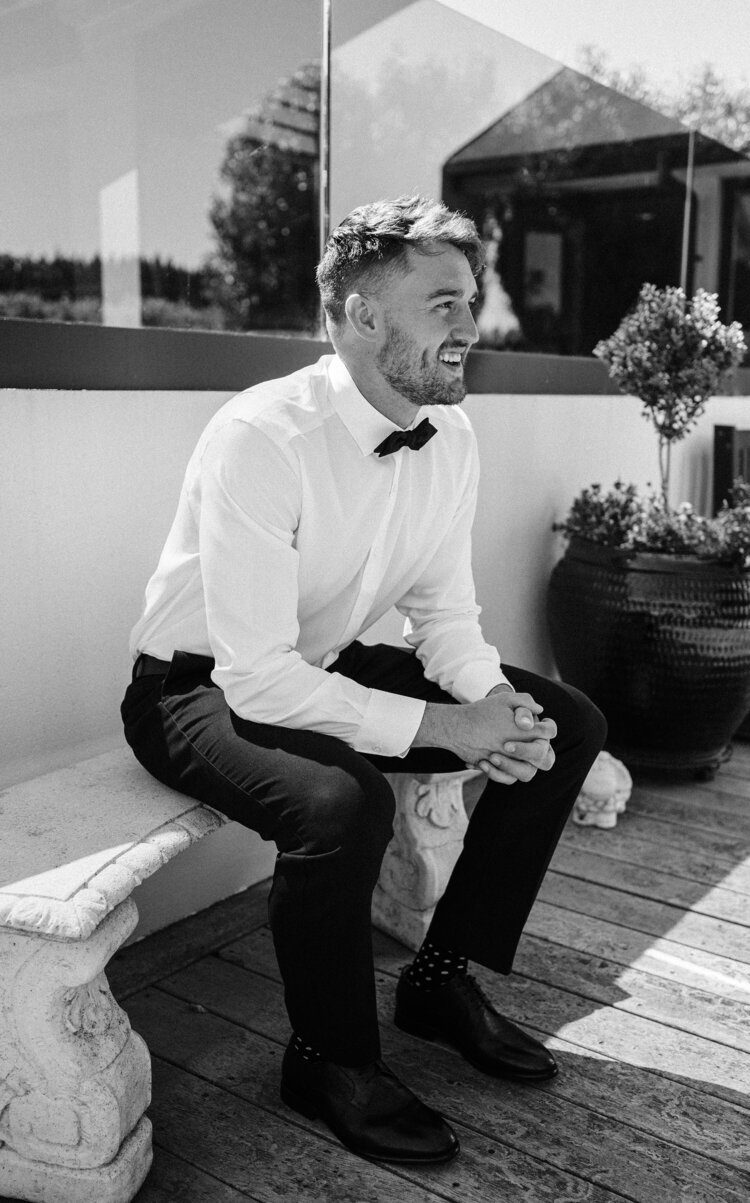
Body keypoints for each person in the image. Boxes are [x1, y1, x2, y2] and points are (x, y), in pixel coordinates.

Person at [121, 195, 606, 1166]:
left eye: (471, 299)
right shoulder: (260, 435)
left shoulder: (452, 438)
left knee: (562, 720)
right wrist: (449, 726)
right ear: (360, 314)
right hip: (194, 686)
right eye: (442, 302)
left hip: (324, 659)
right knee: (339, 807)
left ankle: (438, 978)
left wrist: (489, 708)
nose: (470, 325)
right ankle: (328, 1058)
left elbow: (445, 617)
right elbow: (255, 680)